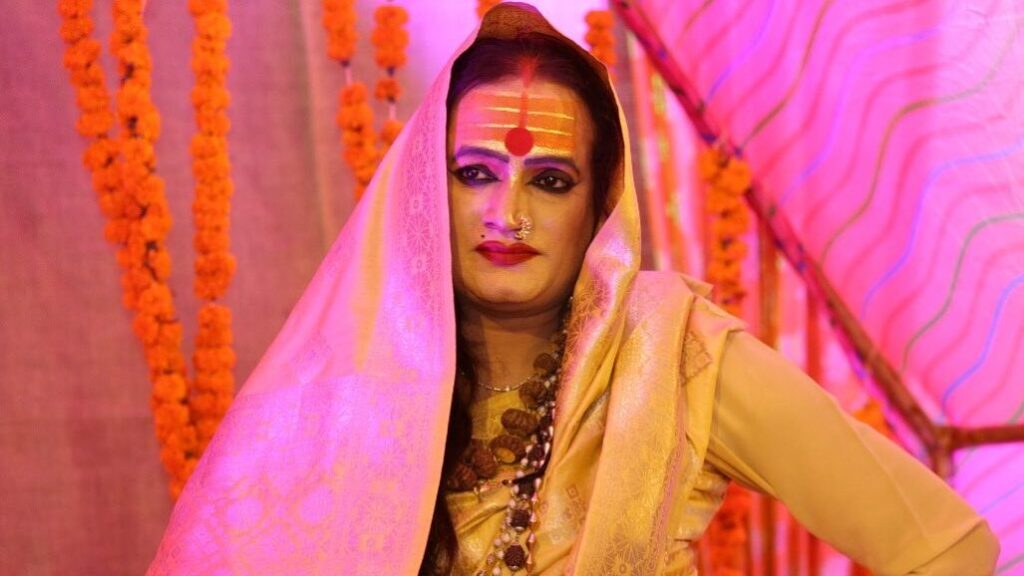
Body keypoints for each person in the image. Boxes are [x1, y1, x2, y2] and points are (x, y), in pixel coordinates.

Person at [147, 3, 999, 575]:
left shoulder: (674, 360)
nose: (505, 213)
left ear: (600, 206)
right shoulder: (336, 393)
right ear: (418, 190)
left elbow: (948, 550)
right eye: (474, 173)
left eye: (549, 181)